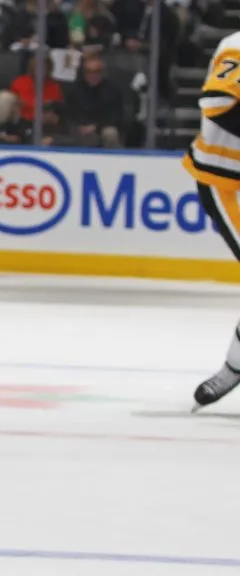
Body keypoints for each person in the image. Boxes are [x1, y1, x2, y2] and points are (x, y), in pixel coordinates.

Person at [184, 31, 240, 410]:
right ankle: (234, 367)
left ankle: (235, 366)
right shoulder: (237, 44)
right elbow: (216, 100)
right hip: (226, 183)